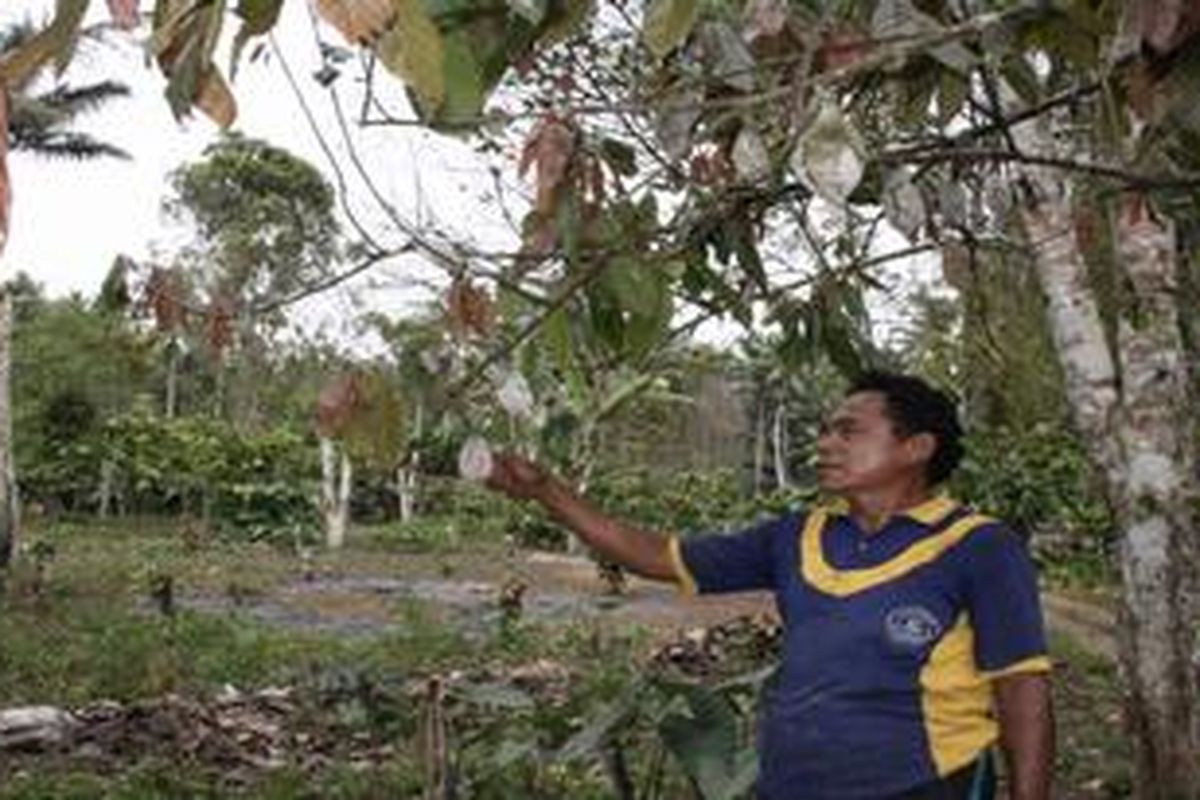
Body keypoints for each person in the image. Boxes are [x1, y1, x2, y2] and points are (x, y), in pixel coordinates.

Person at [485, 370, 1054, 800]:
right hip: (791, 783)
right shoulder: (796, 537)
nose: (827, 443)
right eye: (826, 430)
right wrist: (548, 492)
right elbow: (656, 555)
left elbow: (1021, 688)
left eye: (849, 430)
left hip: (922, 783)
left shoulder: (979, 547)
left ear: (916, 447)